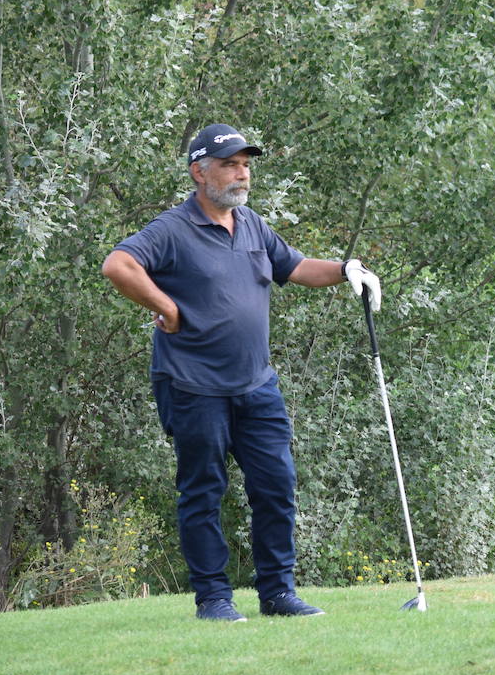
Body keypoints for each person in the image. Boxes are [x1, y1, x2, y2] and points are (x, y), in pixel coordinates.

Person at [102, 123, 384, 620]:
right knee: (203, 491)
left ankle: (277, 593)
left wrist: (346, 270)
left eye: (246, 165)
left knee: (276, 485)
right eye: (231, 164)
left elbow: (295, 268)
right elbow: (118, 265)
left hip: (256, 385)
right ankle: (213, 599)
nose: (242, 174)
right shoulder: (173, 228)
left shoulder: (252, 225)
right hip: (192, 385)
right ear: (199, 172)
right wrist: (165, 305)